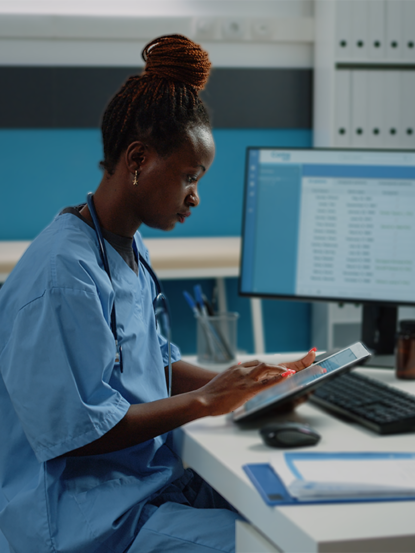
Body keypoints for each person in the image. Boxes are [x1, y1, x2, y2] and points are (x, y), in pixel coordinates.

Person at [0, 35, 315, 553]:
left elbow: (149, 367)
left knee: (292, 513)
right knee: (277, 547)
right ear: (139, 160)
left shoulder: (125, 245)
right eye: (190, 176)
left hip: (144, 488)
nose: (195, 196)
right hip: (90, 518)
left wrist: (257, 383)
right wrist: (208, 401)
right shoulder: (63, 272)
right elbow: (82, 430)